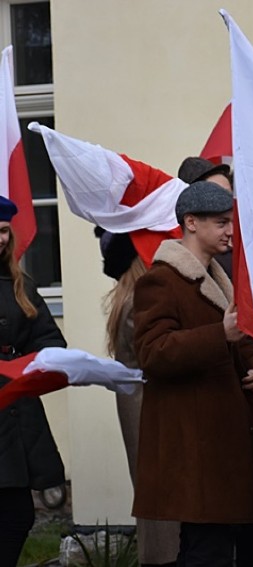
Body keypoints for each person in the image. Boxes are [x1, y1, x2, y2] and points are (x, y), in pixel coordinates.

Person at [132, 181, 253, 566]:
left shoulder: (217, 278)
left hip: (226, 445)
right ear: (190, 223)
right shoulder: (161, 280)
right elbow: (152, 352)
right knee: (204, 551)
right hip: (195, 449)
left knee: (240, 545)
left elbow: (240, 341)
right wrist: (218, 335)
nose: (230, 231)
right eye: (221, 223)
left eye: (231, 222)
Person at [99, 229, 180, 566]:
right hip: (152, 414)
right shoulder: (140, 302)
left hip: (142, 411)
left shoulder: (127, 298)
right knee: (163, 508)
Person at [0, 196, 67, 565]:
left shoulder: (19, 283)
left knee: (18, 515)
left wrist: (21, 363)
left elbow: (51, 341)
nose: (0, 239)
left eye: (4, 231)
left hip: (15, 411)